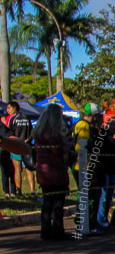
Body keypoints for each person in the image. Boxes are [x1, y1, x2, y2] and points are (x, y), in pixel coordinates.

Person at [33, 103, 71, 240]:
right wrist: (66, 146)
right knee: (57, 203)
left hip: (43, 171)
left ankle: (45, 230)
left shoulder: (39, 132)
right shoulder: (53, 134)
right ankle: (57, 230)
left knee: (47, 202)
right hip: (55, 170)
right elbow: (57, 152)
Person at [7, 102, 34, 196]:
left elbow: (9, 133)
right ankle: (33, 191)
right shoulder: (26, 118)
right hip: (27, 146)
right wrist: (28, 140)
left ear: (14, 108)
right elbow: (32, 131)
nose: (8, 110)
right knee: (29, 169)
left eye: (9, 108)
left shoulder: (13, 119)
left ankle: (19, 191)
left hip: (16, 146)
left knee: (17, 170)